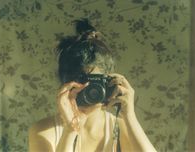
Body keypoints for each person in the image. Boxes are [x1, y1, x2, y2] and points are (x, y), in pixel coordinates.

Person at [29, 19, 157, 152]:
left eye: (94, 82)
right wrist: (70, 130)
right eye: (81, 82)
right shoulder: (43, 131)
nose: (88, 90)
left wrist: (129, 116)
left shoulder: (122, 130)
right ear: (66, 86)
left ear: (109, 82)